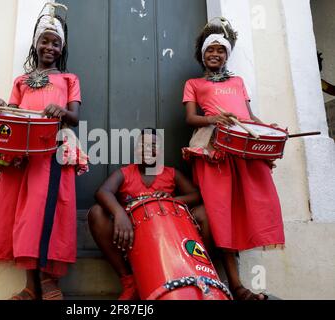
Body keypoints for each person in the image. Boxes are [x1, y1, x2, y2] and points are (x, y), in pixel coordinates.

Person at [0, 4, 82, 300]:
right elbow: (14, 113)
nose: (50, 46)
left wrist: (60, 110)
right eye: (44, 41)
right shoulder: (20, 82)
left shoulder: (69, 80)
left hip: (51, 153)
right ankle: (30, 287)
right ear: (36, 45)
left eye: (56, 42)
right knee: (24, 216)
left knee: (45, 212)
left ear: (62, 48)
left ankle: (49, 281)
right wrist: (2, 105)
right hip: (23, 155)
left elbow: (75, 117)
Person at [182, 18, 285, 300]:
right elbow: (191, 118)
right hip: (213, 149)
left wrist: (270, 132)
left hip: (243, 148)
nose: (215, 55)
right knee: (219, 215)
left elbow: (249, 118)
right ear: (202, 55)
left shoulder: (238, 82)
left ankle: (232, 285)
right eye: (210, 50)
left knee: (244, 211)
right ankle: (233, 285)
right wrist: (215, 117)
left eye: (221, 50)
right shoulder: (194, 83)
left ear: (227, 54)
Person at [88, 129, 209, 300]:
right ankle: (129, 281)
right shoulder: (126, 173)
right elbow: (103, 192)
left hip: (168, 242)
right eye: (142, 145)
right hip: (132, 240)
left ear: (160, 151)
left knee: (204, 213)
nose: (147, 149)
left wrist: (174, 199)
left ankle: (199, 271)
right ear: (136, 151)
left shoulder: (171, 174)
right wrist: (119, 213)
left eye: (153, 145)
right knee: (97, 212)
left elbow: (196, 195)